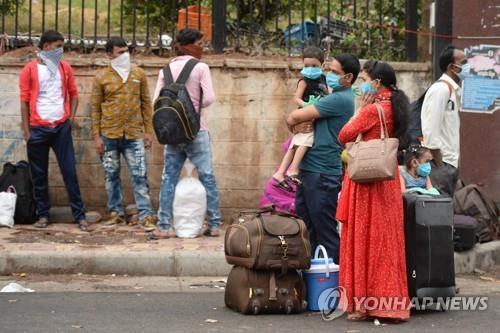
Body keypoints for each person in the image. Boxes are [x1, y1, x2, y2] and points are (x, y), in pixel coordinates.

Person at [336, 61, 410, 321]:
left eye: (364, 78)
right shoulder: (396, 106)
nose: (361, 84)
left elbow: (344, 135)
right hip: (387, 181)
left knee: (363, 238)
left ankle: (363, 305)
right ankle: (390, 302)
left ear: (376, 83)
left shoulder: (372, 110)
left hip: (366, 181)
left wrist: (359, 109)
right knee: (386, 240)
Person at [286, 53, 360, 264]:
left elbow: (294, 117)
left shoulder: (339, 99)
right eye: (329, 70)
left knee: (325, 233)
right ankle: (315, 286)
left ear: (348, 77)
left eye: (335, 73)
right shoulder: (332, 96)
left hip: (322, 174)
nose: (329, 75)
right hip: (310, 171)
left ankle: (333, 285)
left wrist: (291, 122)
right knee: (309, 231)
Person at [151, 28, 221, 239]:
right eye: (200, 44)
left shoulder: (165, 70)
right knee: (207, 176)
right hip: (196, 130)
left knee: (168, 178)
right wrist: (193, 105)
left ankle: (164, 226)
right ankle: (215, 224)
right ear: (188, 46)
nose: (202, 48)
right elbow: (209, 98)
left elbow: (156, 100)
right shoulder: (200, 67)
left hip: (172, 133)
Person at [18, 30, 88, 231]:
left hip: (60, 127)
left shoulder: (64, 68)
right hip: (37, 129)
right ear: (46, 47)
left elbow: (74, 95)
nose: (61, 50)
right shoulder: (30, 70)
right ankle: (43, 215)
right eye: (58, 46)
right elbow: (23, 101)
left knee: (69, 172)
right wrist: (26, 130)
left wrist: (70, 119)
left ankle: (79, 216)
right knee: (39, 175)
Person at [90, 37, 156, 231]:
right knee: (111, 176)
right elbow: (95, 109)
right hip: (109, 134)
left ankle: (146, 215)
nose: (125, 55)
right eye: (120, 52)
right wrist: (97, 136)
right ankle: (115, 213)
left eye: (126, 51)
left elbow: (146, 104)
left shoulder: (139, 74)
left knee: (140, 175)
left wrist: (148, 131)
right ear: (109, 54)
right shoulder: (101, 77)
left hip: (134, 135)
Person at [272, 47, 328, 190]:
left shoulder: (324, 79)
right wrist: (306, 105)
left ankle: (280, 172)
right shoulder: (304, 81)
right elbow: (296, 98)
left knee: (295, 143)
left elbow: (326, 94)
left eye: (314, 66)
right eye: (306, 65)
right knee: (306, 140)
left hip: (315, 114)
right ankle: (293, 169)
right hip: (305, 114)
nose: (310, 69)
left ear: (322, 65)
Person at [421, 45, 468, 196]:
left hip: (449, 164)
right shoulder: (441, 90)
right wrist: (441, 166)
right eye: (464, 63)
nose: (468, 67)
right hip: (441, 165)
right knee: (438, 215)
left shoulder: (451, 90)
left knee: (445, 214)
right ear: (452, 67)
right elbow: (430, 130)